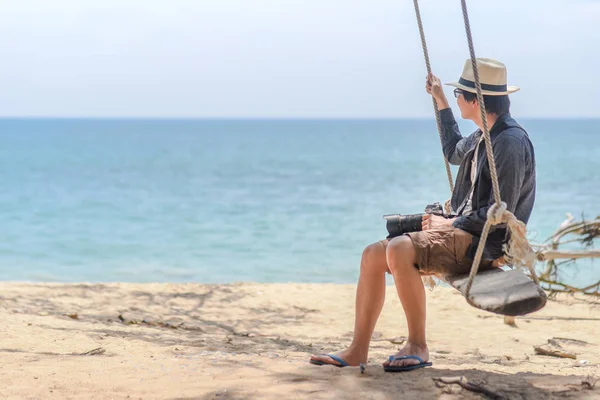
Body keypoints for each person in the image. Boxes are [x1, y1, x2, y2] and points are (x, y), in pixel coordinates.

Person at [309, 58, 536, 371]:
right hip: (461, 230)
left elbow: (500, 213)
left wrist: (450, 221)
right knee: (372, 255)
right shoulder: (483, 135)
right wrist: (441, 101)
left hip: (483, 243)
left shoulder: (509, 142)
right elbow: (453, 150)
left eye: (458, 94)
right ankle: (357, 350)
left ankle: (418, 344)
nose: (457, 99)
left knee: (400, 248)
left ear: (475, 100)